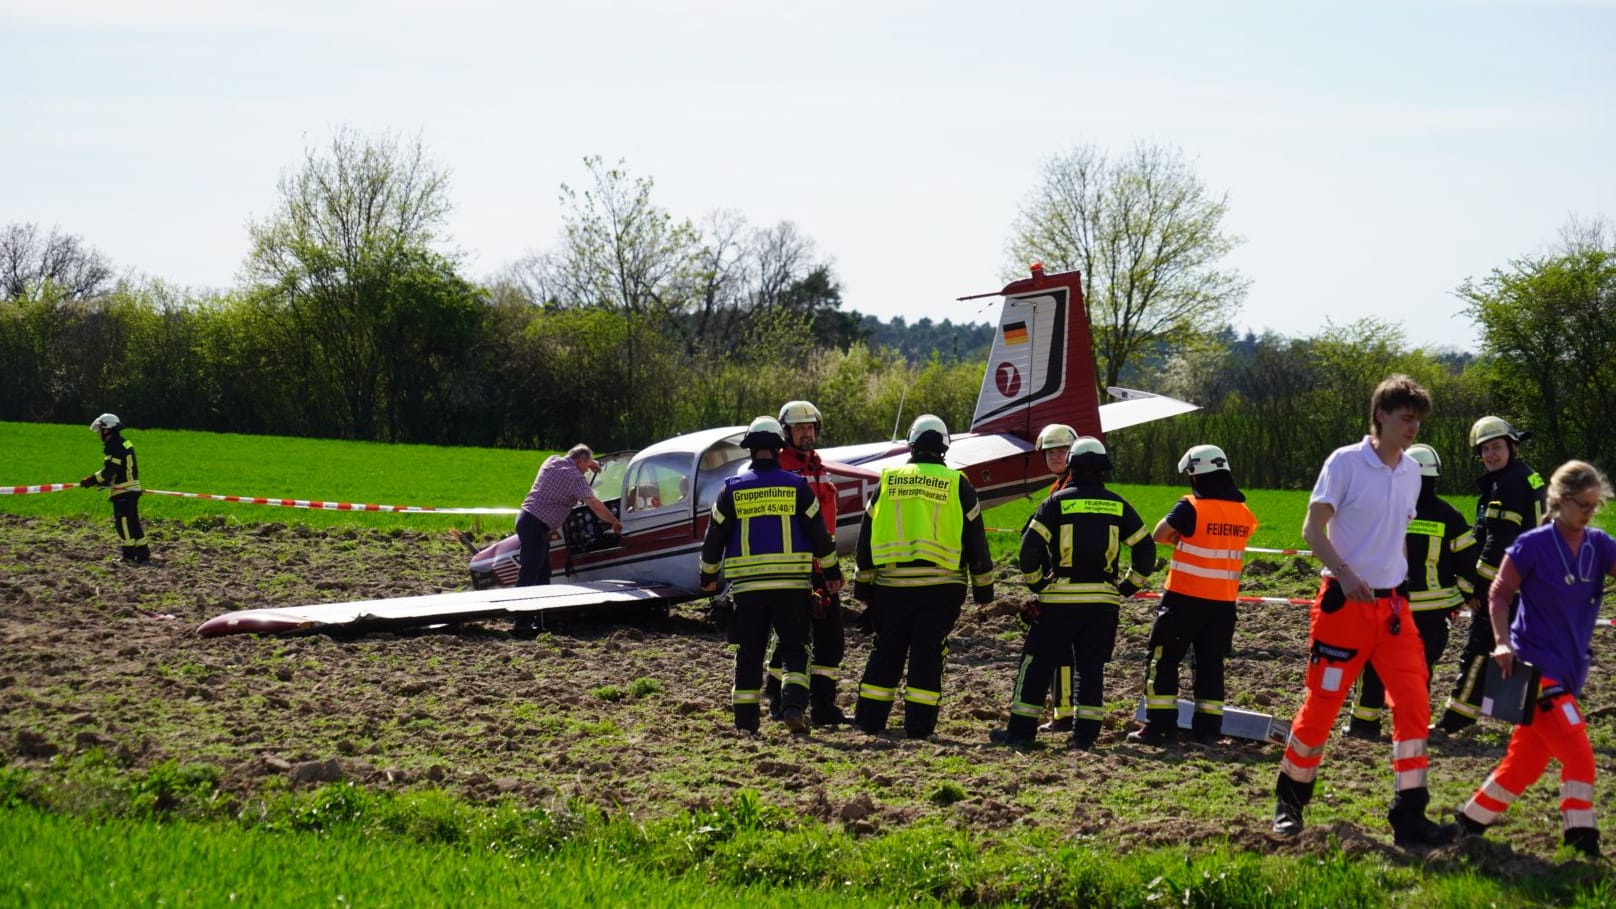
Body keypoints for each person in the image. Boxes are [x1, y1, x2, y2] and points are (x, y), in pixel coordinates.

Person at [1271, 374, 1456, 848]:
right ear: (1380, 416)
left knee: (1414, 707)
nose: (1413, 428)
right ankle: (1289, 803)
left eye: (1418, 420)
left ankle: (1410, 815)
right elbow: (1312, 531)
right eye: (1405, 419)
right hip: (1343, 606)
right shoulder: (1345, 463)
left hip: (1395, 611)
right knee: (1323, 705)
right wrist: (1347, 574)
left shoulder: (1411, 473)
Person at [1456, 460, 1612, 859]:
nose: (1590, 513)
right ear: (1561, 501)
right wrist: (1502, 642)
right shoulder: (1532, 545)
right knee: (1580, 754)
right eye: (1584, 505)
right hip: (1534, 669)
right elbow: (1499, 594)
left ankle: (1467, 824)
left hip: (1570, 668)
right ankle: (1581, 845)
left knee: (1524, 763)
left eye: (1596, 506)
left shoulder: (1600, 545)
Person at [991, 436, 1153, 749]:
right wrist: (1128, 587)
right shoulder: (1119, 505)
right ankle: (1085, 738)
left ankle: (1021, 733)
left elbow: (1029, 548)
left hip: (1060, 601)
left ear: (1071, 467)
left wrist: (1038, 584)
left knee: (1036, 663)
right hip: (1102, 603)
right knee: (1091, 670)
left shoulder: (1056, 503)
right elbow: (1146, 549)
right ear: (1103, 469)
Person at [852, 414, 995, 741]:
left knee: (887, 650)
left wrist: (863, 586)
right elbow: (976, 539)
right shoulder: (958, 483)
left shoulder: (888, 481)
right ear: (944, 447)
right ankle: (918, 726)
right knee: (927, 653)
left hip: (892, 588)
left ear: (911, 445)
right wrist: (984, 591)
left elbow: (866, 537)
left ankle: (870, 721)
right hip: (942, 588)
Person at [699, 416, 843, 735]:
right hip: (792, 586)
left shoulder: (731, 490)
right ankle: (792, 707)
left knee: (750, 652)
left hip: (748, 590)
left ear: (750, 451)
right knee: (795, 648)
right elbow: (820, 536)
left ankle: (746, 724)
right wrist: (832, 572)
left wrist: (707, 577)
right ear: (780, 448)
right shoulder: (797, 487)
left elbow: (714, 538)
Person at [1345, 443, 1478, 740]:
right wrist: (1457, 600)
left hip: (1386, 606)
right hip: (1433, 615)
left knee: (1373, 664)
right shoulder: (1450, 516)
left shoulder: (1382, 508)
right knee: (1418, 673)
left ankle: (1364, 725)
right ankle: (1411, 729)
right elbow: (1471, 565)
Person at [1130, 444, 1257, 748]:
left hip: (1184, 598)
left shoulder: (1190, 506)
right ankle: (1209, 731)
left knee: (1163, 660)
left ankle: (1160, 727)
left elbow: (1161, 534)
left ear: (1195, 476)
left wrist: (1180, 534)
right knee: (1210, 664)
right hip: (1224, 603)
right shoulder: (1244, 513)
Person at [1433, 416, 1546, 734]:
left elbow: (1498, 543)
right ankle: (1524, 720)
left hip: (1508, 585)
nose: (1490, 455)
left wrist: (1478, 588)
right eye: (1484, 450)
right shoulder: (1527, 477)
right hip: (1531, 584)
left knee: (1479, 649)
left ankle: (1457, 718)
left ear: (1512, 446)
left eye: (1496, 447)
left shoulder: (1506, 486)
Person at [764, 401, 850, 726]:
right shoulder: (779, 470)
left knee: (832, 641)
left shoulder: (818, 467)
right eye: (800, 428)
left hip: (823, 569)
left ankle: (824, 706)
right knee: (790, 641)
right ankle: (776, 700)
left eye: (811, 427)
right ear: (785, 432)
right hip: (793, 569)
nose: (806, 433)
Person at [514, 444, 620, 605]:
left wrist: (590, 462)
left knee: (543, 573)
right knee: (530, 573)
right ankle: (521, 619)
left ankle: (540, 615)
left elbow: (576, 459)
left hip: (526, 520)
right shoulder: (575, 478)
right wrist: (613, 521)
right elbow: (595, 504)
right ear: (581, 462)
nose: (586, 472)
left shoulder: (552, 461)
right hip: (536, 525)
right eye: (586, 467)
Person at [1031, 423, 1080, 734]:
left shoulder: (1069, 488)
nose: (1055, 456)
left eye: (1061, 450)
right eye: (1050, 451)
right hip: (1064, 582)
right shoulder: (1059, 486)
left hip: (1065, 585)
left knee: (1062, 653)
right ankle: (1066, 713)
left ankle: (1065, 716)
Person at [81, 413, 150, 564]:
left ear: (107, 430)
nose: (99, 433)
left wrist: (90, 480)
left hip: (123, 490)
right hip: (131, 487)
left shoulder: (114, 446)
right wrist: (103, 482)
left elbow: (109, 471)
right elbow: (118, 470)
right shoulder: (123, 443)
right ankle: (143, 554)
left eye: (100, 429)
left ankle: (128, 556)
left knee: (123, 522)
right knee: (133, 522)